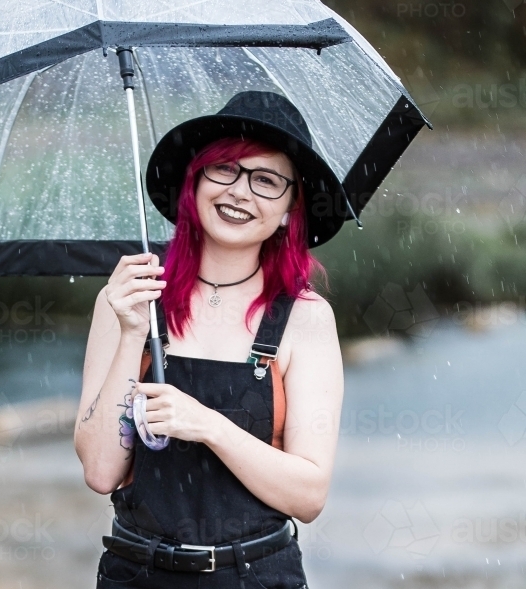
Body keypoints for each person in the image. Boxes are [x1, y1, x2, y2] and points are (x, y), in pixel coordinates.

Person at [75, 91, 347, 588]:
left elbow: (308, 497)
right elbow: (99, 471)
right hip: (136, 574)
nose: (240, 192)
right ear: (194, 183)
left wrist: (208, 425)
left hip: (256, 576)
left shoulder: (306, 319)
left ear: (290, 208)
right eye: (224, 169)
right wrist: (132, 331)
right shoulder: (129, 299)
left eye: (266, 180)